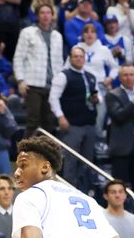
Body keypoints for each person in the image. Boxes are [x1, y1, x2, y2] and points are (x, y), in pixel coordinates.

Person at [12, 137, 117, 237]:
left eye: (23, 165)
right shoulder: (88, 200)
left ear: (45, 167)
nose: (16, 173)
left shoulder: (29, 197)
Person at [48, 45, 100, 192]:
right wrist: (60, 116)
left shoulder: (91, 76)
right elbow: (53, 98)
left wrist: (97, 99)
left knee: (87, 162)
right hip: (72, 124)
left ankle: (84, 191)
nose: (78, 59)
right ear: (70, 58)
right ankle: (67, 191)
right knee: (70, 161)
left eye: (81, 56)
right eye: (75, 56)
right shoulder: (63, 75)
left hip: (89, 124)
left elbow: (98, 96)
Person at [13, 3, 64, 137]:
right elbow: (18, 57)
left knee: (49, 122)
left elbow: (59, 61)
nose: (46, 15)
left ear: (52, 16)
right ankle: (25, 155)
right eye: (42, 13)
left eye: (48, 12)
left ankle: (44, 155)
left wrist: (60, 83)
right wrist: (20, 80)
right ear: (37, 16)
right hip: (33, 84)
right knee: (33, 121)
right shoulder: (27, 32)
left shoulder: (57, 36)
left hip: (52, 85)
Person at [105, 64, 134, 198]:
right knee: (119, 187)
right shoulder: (113, 95)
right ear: (120, 78)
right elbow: (119, 116)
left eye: (132, 75)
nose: (129, 78)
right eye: (125, 75)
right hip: (121, 147)